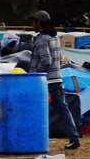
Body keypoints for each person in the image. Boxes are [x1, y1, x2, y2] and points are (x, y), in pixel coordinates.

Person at [29, 10, 80, 150]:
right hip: (57, 78)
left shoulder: (41, 39)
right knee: (63, 109)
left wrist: (33, 74)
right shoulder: (55, 38)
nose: (32, 24)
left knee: (35, 109)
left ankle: (35, 137)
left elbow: (46, 60)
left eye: (34, 21)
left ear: (39, 22)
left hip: (43, 81)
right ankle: (74, 137)